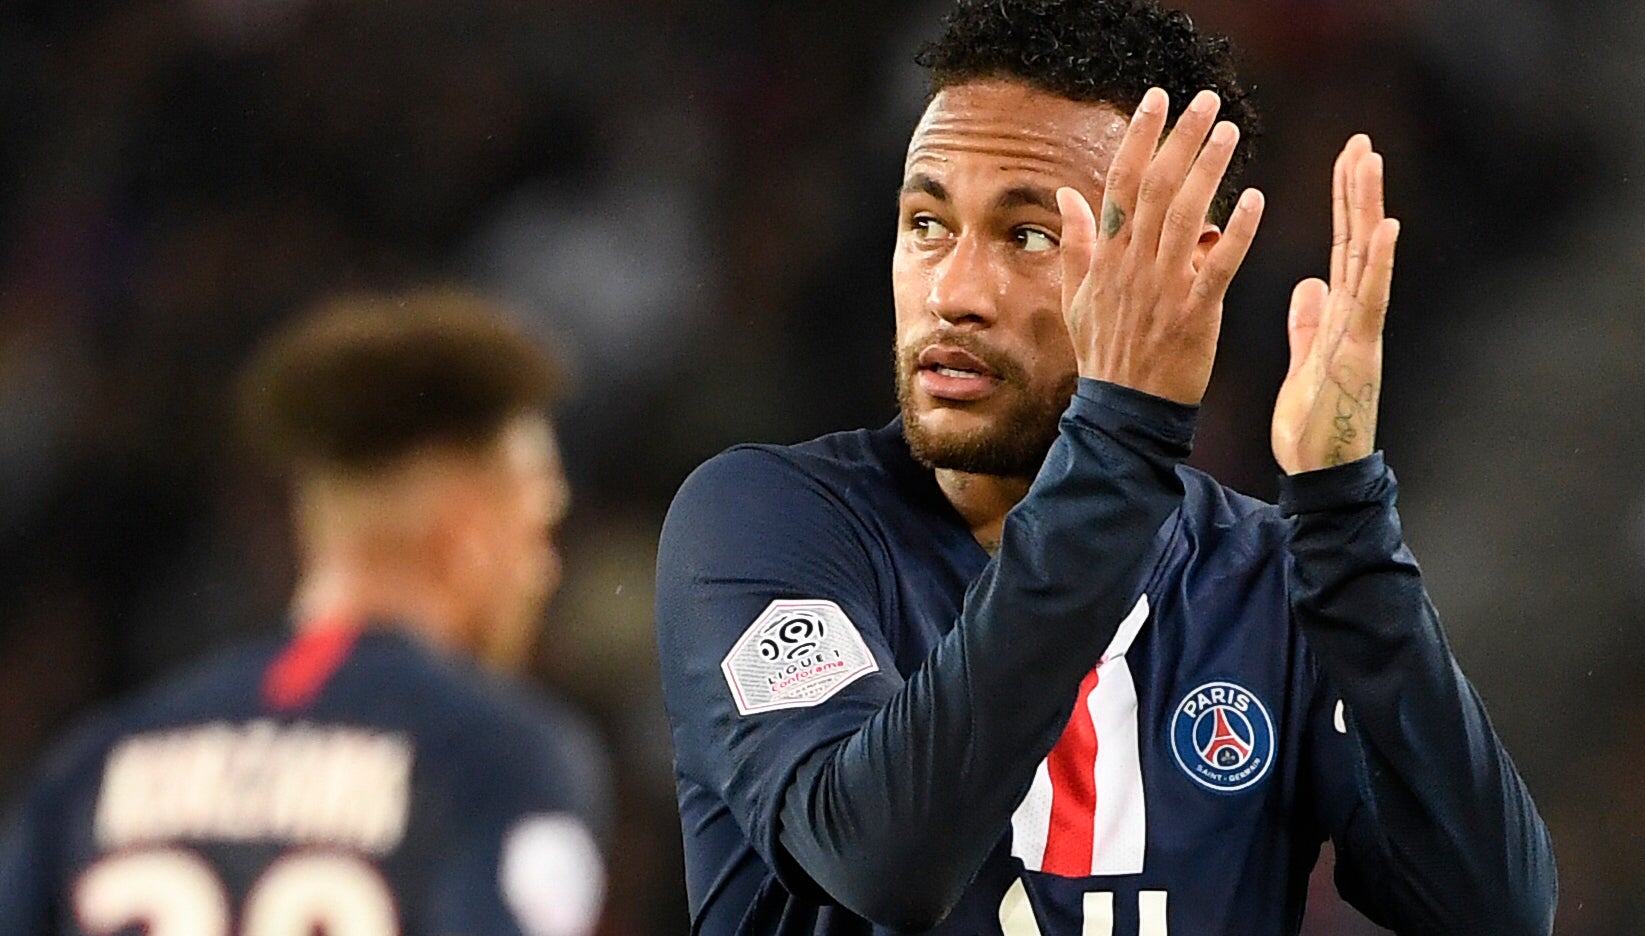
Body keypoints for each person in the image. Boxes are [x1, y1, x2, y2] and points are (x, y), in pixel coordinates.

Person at [655, 0, 1557, 933]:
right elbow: (882, 858)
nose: (955, 292)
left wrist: (1346, 519)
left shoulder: (1267, 580)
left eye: (1029, 237)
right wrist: (1124, 432)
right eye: (927, 223)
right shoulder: (769, 525)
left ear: (1185, 272)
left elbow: (1495, 909)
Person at [0, 291, 610, 936]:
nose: (547, 571)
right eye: (539, 528)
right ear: (466, 535)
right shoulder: (497, 759)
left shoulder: (94, 766)